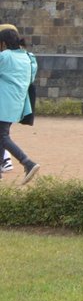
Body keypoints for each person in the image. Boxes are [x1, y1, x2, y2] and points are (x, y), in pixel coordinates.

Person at [0, 27, 39, 186]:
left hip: (3, 102)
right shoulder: (29, 57)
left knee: (2, 136)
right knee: (1, 135)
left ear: (3, 43)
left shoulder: (5, 57)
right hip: (18, 103)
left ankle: (27, 162)